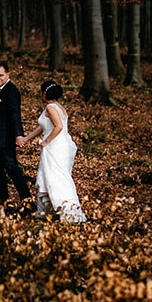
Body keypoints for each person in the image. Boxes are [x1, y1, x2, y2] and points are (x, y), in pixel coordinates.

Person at [16, 80, 87, 223]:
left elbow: (58, 126)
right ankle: (49, 211)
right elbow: (43, 127)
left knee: (57, 178)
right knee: (51, 176)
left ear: (44, 93)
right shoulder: (58, 107)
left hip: (56, 147)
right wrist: (26, 139)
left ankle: (69, 212)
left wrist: (46, 141)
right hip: (61, 145)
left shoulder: (50, 107)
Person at [0, 61, 32, 206]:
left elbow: (14, 114)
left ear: (8, 74)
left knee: (12, 169)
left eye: (0, 75)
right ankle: (2, 200)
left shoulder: (11, 91)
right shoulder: (1, 90)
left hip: (7, 138)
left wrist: (18, 135)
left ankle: (27, 201)